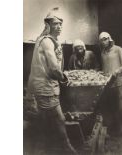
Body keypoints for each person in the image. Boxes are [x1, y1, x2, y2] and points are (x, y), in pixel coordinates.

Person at [27, 10, 77, 154]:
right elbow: (54, 68)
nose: (59, 26)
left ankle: (42, 148)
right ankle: (65, 147)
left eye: (61, 24)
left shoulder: (44, 40)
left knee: (46, 120)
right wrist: (65, 78)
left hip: (45, 87)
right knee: (58, 119)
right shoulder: (47, 41)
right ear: (48, 25)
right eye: (55, 24)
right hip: (46, 88)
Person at [98, 32, 122, 137]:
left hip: (119, 82)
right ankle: (119, 129)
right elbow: (105, 68)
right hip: (108, 84)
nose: (104, 42)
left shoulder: (118, 49)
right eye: (101, 40)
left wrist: (116, 72)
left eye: (105, 39)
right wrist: (102, 73)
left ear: (109, 39)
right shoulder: (103, 52)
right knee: (114, 107)